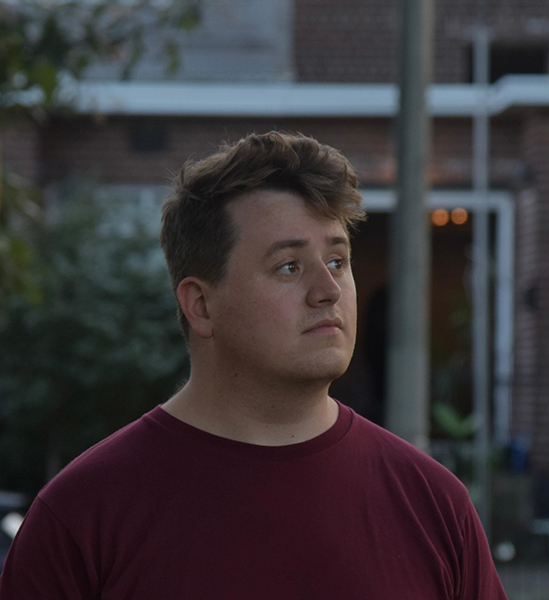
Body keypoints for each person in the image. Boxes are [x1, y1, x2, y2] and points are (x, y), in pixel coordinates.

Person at [0, 132, 507, 599]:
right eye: (288, 266)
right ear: (201, 305)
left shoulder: (434, 505)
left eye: (337, 261)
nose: (328, 291)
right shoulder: (82, 517)